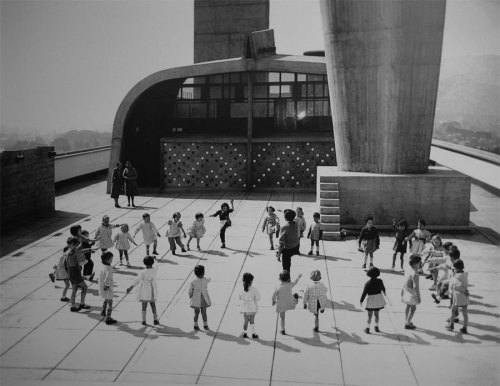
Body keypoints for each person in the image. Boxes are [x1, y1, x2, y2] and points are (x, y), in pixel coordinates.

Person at [127, 256, 159, 325]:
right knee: (153, 305)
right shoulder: (154, 270)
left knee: (144, 306)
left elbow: (137, 280)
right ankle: (155, 319)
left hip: (144, 290)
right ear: (152, 263)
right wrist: (155, 259)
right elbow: (157, 265)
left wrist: (131, 287)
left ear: (144, 263)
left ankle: (143, 320)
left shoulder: (143, 272)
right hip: (152, 290)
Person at [66, 236, 92, 312]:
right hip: (75, 274)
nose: (75, 246)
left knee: (74, 290)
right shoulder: (72, 252)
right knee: (85, 287)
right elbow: (81, 251)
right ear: (72, 245)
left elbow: (81, 250)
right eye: (73, 245)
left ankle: (73, 306)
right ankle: (82, 304)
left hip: (71, 274)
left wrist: (89, 248)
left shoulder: (71, 251)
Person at [272, 270, 302, 335]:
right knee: (292, 302)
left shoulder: (278, 287)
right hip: (289, 302)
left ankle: (283, 330)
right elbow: (295, 282)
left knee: (282, 317)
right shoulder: (290, 284)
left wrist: (273, 301)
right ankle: (295, 300)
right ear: (288, 279)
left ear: (280, 279)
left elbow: (274, 296)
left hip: (281, 305)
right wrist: (298, 277)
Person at [360, 267, 386, 333]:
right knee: (377, 315)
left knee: (369, 316)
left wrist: (361, 300)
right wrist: (384, 292)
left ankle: (367, 328)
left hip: (371, 300)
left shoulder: (367, 283)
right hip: (378, 299)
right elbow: (383, 288)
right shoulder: (380, 281)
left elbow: (364, 293)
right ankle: (376, 327)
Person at [446, 259, 469, 334]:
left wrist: (453, 289)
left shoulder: (457, 276)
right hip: (465, 294)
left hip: (458, 295)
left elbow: (456, 285)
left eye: (454, 268)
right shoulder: (465, 274)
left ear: (456, 268)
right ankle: (464, 328)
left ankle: (451, 325)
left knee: (453, 310)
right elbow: (464, 285)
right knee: (465, 313)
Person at [401, 254, 422, 329]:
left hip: (406, 290)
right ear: (415, 264)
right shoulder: (415, 274)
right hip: (412, 292)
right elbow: (416, 286)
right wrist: (418, 296)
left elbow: (404, 280)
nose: (420, 264)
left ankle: (406, 320)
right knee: (413, 308)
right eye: (419, 263)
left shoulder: (409, 269)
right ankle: (408, 323)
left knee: (408, 306)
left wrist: (402, 291)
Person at [189, 265, 211, 331]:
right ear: (203, 273)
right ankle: (205, 325)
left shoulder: (193, 281)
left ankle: (195, 324)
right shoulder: (205, 280)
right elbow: (209, 279)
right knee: (204, 312)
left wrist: (190, 295)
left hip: (196, 299)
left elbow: (190, 290)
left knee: (196, 312)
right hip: (204, 299)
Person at [239, 272, 261, 339]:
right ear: (251, 281)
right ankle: (254, 334)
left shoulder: (242, 289)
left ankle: (244, 333)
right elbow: (258, 298)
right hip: (252, 307)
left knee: (245, 321)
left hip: (245, 307)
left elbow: (240, 297)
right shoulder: (254, 289)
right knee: (252, 320)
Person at [99, 251, 117, 325]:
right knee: (110, 302)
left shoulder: (103, 267)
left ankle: (103, 311)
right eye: (111, 258)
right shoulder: (109, 269)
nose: (112, 260)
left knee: (106, 299)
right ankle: (108, 318)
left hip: (101, 286)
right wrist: (107, 286)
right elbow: (108, 278)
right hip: (107, 288)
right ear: (108, 260)